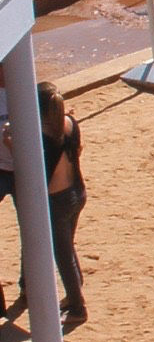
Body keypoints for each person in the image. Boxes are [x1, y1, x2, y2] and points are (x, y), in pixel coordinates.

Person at [30, 83, 86, 324]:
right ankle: (76, 290)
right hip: (77, 192)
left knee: (62, 254)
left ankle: (77, 307)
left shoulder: (41, 137)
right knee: (67, 248)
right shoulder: (70, 124)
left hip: (57, 202)